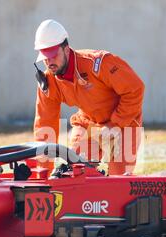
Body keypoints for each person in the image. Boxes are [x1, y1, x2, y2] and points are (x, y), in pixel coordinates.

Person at [33, 19, 145, 175]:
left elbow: (135, 88)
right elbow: (45, 125)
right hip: (88, 123)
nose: (49, 62)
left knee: (119, 183)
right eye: (45, 57)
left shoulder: (98, 63)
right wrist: (43, 171)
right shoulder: (49, 82)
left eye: (52, 55)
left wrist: (115, 124)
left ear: (66, 50)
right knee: (76, 175)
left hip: (124, 124)